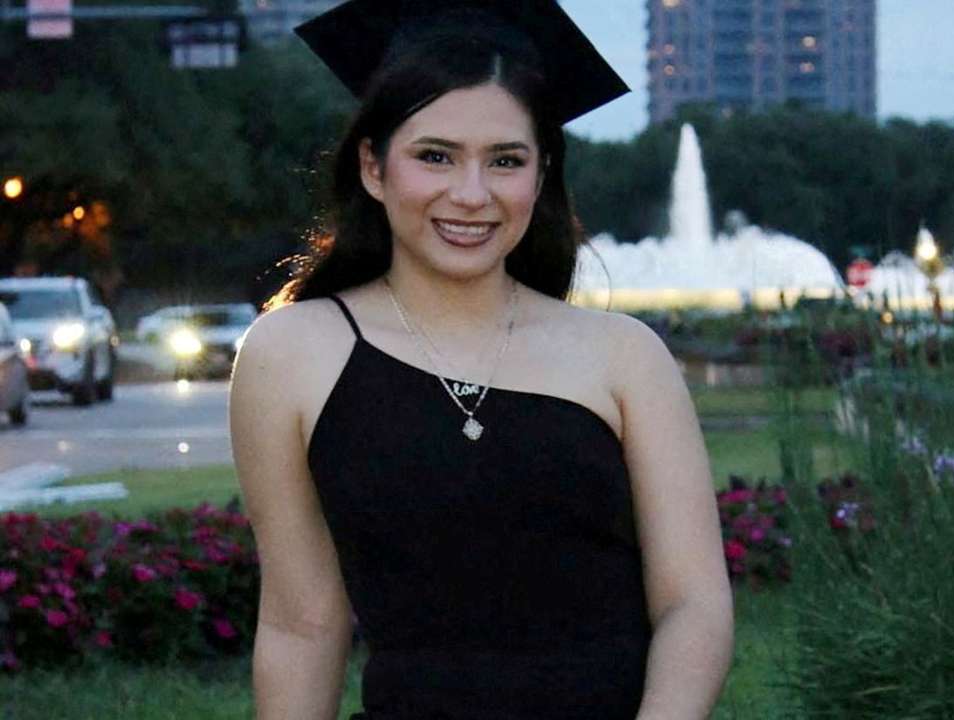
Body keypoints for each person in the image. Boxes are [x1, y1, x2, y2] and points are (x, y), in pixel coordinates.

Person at [227, 1, 734, 718]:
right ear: (373, 166)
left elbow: (694, 604)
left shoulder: (624, 357)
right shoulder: (291, 353)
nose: (471, 195)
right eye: (434, 156)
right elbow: (300, 622)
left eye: (505, 161)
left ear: (541, 171)